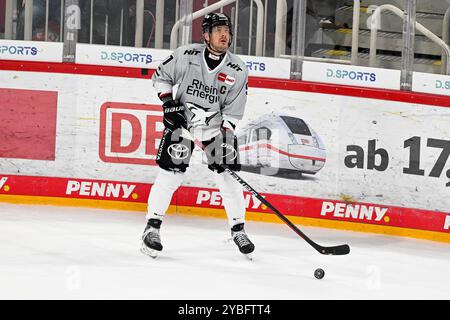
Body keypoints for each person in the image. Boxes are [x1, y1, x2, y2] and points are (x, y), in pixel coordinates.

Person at [141, 12, 255, 259]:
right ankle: (152, 228)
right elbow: (161, 77)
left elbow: (233, 112)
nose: (224, 35)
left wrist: (224, 141)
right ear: (206, 35)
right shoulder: (185, 55)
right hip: (182, 123)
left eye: (227, 30)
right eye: (218, 30)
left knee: (228, 176)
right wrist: (168, 103)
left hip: (215, 128)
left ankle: (238, 229)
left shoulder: (238, 69)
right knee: (170, 174)